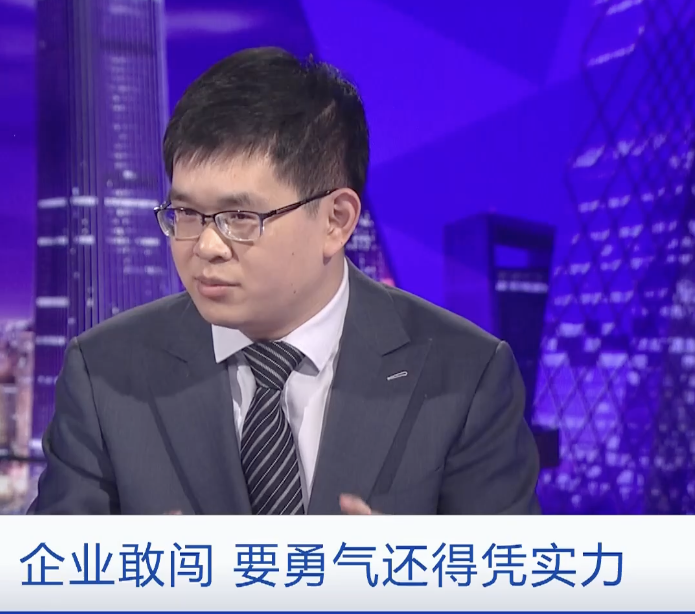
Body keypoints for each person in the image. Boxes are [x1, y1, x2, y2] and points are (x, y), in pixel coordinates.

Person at [29, 47, 541, 515]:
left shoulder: (465, 376)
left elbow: (511, 575)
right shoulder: (103, 373)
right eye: (185, 213)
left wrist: (406, 575)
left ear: (336, 221)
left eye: (239, 217)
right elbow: (41, 572)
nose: (205, 246)